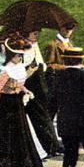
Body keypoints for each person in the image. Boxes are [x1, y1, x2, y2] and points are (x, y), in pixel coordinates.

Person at [0, 38, 46, 167]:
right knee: (5, 135)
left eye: (21, 55)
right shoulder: (6, 70)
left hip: (17, 103)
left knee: (22, 133)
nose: (20, 58)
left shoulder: (18, 68)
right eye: (18, 56)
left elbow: (19, 83)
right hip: (7, 105)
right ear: (11, 56)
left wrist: (26, 91)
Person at [23, 28, 62, 156]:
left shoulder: (34, 45)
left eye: (38, 32)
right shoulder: (25, 47)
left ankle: (53, 145)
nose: (37, 35)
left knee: (44, 116)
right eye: (34, 32)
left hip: (40, 84)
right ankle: (49, 147)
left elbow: (42, 64)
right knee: (39, 117)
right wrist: (32, 70)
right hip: (30, 86)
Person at [44, 21, 77, 120]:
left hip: (68, 81)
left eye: (70, 29)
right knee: (51, 109)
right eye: (66, 28)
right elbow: (49, 65)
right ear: (60, 28)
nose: (68, 31)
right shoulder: (52, 45)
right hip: (56, 81)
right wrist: (66, 67)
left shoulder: (71, 44)